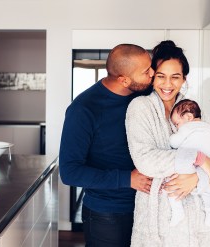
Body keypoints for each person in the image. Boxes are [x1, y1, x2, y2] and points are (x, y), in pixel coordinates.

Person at [125, 40, 210, 246]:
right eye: (161, 76)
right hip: (160, 218)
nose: (167, 84)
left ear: (184, 79)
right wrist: (200, 160)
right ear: (152, 77)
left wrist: (197, 178)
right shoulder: (140, 108)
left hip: (202, 218)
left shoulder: (194, 110)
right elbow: (146, 160)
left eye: (175, 77)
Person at [59, 43, 155, 247]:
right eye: (146, 71)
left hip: (147, 206)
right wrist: (127, 179)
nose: (153, 74)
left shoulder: (142, 96)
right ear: (124, 79)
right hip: (107, 214)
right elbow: (69, 172)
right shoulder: (83, 109)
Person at [168, 99, 210, 227]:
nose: (177, 127)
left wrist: (172, 137)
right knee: (207, 191)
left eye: (177, 124)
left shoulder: (187, 128)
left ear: (188, 117)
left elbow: (174, 143)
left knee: (170, 185)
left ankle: (178, 212)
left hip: (188, 162)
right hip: (205, 167)